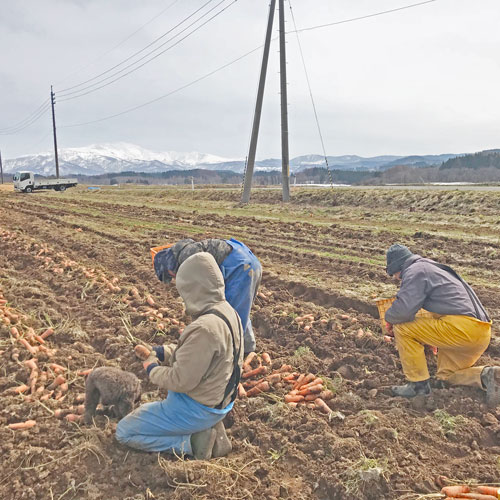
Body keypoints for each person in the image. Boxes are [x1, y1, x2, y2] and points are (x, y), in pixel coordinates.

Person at [116, 252, 244, 459]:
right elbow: (198, 355)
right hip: (219, 402)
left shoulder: (205, 328)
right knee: (148, 413)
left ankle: (192, 442)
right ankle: (207, 428)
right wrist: (161, 351)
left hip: (196, 409)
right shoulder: (228, 312)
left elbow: (180, 380)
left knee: (125, 431)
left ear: (193, 288)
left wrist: (151, 368)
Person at [384, 244, 498, 405]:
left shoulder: (415, 271)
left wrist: (389, 318)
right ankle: (487, 375)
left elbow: (403, 311)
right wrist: (430, 338)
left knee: (402, 327)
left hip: (462, 329)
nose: (397, 278)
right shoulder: (432, 268)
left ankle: (418, 386)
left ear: (398, 267)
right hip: (481, 332)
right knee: (446, 376)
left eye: (394, 274)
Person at [153, 238, 262, 354]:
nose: (173, 278)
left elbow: (204, 294)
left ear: (169, 268)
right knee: (240, 310)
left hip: (240, 268)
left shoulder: (188, 261)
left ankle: (231, 355)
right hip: (247, 260)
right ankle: (248, 348)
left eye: (170, 276)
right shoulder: (184, 250)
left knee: (231, 316)